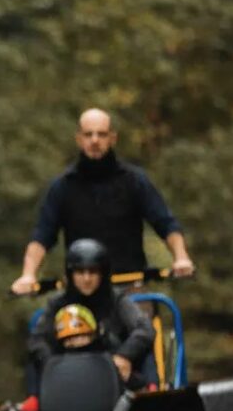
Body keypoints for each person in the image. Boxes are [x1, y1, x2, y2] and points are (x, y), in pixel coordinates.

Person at [11, 108, 195, 294]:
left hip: (131, 288)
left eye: (102, 134)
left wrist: (181, 257)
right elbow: (43, 234)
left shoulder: (134, 181)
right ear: (79, 139)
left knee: (141, 322)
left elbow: (165, 223)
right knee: (52, 321)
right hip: (82, 292)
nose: (95, 140)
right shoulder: (63, 187)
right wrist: (28, 274)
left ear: (112, 139)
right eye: (88, 134)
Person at [21, 238, 155, 411]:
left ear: (103, 273)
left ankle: (151, 394)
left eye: (93, 272)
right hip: (66, 374)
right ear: (71, 274)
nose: (86, 278)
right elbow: (36, 340)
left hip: (112, 370)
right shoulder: (57, 303)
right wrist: (52, 364)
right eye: (80, 272)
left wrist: (124, 355)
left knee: (145, 345)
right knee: (35, 350)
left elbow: (145, 329)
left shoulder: (117, 300)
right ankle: (35, 401)